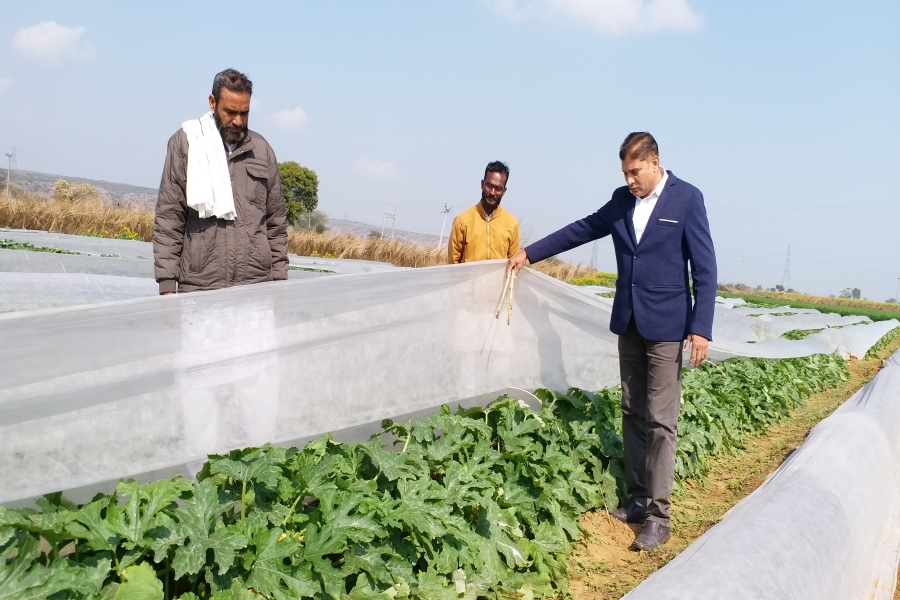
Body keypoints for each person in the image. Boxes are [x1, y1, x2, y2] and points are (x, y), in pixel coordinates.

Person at [506, 132, 717, 551]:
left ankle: (659, 516)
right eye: (625, 173)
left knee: (660, 420)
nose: (630, 180)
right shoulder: (622, 201)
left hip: (667, 327)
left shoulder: (687, 199)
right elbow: (583, 228)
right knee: (632, 412)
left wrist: (701, 327)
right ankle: (638, 500)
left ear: (655, 162)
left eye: (635, 171)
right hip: (630, 323)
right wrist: (531, 252)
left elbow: (706, 269)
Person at [153, 68, 287, 294]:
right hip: (200, 285)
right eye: (231, 112)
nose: (238, 120)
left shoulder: (261, 151)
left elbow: (276, 222)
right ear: (212, 102)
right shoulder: (186, 144)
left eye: (245, 113)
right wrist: (167, 287)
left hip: (256, 287)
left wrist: (280, 283)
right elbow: (169, 218)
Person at [447, 161, 520, 264]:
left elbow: (513, 264)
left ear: (504, 191)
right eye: (489, 185)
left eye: (498, 188)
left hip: (498, 280)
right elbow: (452, 265)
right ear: (482, 184)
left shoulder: (512, 224)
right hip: (469, 280)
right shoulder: (462, 221)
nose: (492, 192)